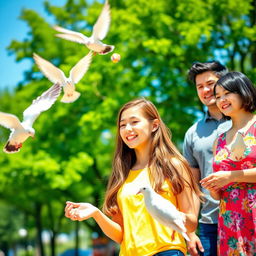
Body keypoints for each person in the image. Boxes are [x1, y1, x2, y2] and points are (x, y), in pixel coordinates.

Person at [65, 98, 203, 256]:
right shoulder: (121, 175)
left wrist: (170, 213)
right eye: (122, 125)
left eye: (134, 122)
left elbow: (191, 224)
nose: (127, 129)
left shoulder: (173, 166)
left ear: (155, 125)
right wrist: (96, 213)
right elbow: (121, 235)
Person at [200, 71, 256, 256]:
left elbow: (230, 176)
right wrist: (214, 187)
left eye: (227, 93)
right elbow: (218, 195)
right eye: (218, 97)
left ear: (242, 91)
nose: (221, 100)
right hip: (230, 221)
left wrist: (231, 176)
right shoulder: (220, 140)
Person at [183, 61, 232, 256]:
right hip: (209, 224)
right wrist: (190, 230)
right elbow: (191, 187)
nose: (205, 90)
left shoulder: (247, 123)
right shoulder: (193, 133)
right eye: (199, 87)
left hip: (249, 215)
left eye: (210, 83)